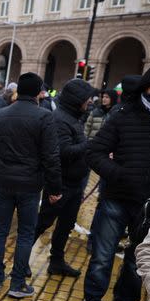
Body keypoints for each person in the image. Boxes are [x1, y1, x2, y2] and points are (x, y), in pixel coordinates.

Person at [81, 61, 150, 301]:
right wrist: (117, 174)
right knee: (102, 257)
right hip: (116, 198)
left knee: (137, 259)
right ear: (145, 88)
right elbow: (95, 152)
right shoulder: (124, 115)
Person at [0, 72, 62, 298]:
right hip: (30, 185)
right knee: (25, 233)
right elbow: (51, 157)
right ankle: (17, 284)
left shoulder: (1, 114)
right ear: (38, 92)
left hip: (5, 182)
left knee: (0, 229)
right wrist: (54, 189)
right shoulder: (44, 117)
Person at [32, 79, 98, 276]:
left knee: (66, 225)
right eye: (87, 98)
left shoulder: (73, 117)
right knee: (42, 223)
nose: (90, 102)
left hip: (75, 184)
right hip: (61, 184)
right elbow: (63, 152)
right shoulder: (60, 119)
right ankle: (21, 260)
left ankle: (57, 261)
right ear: (77, 100)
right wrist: (91, 145)